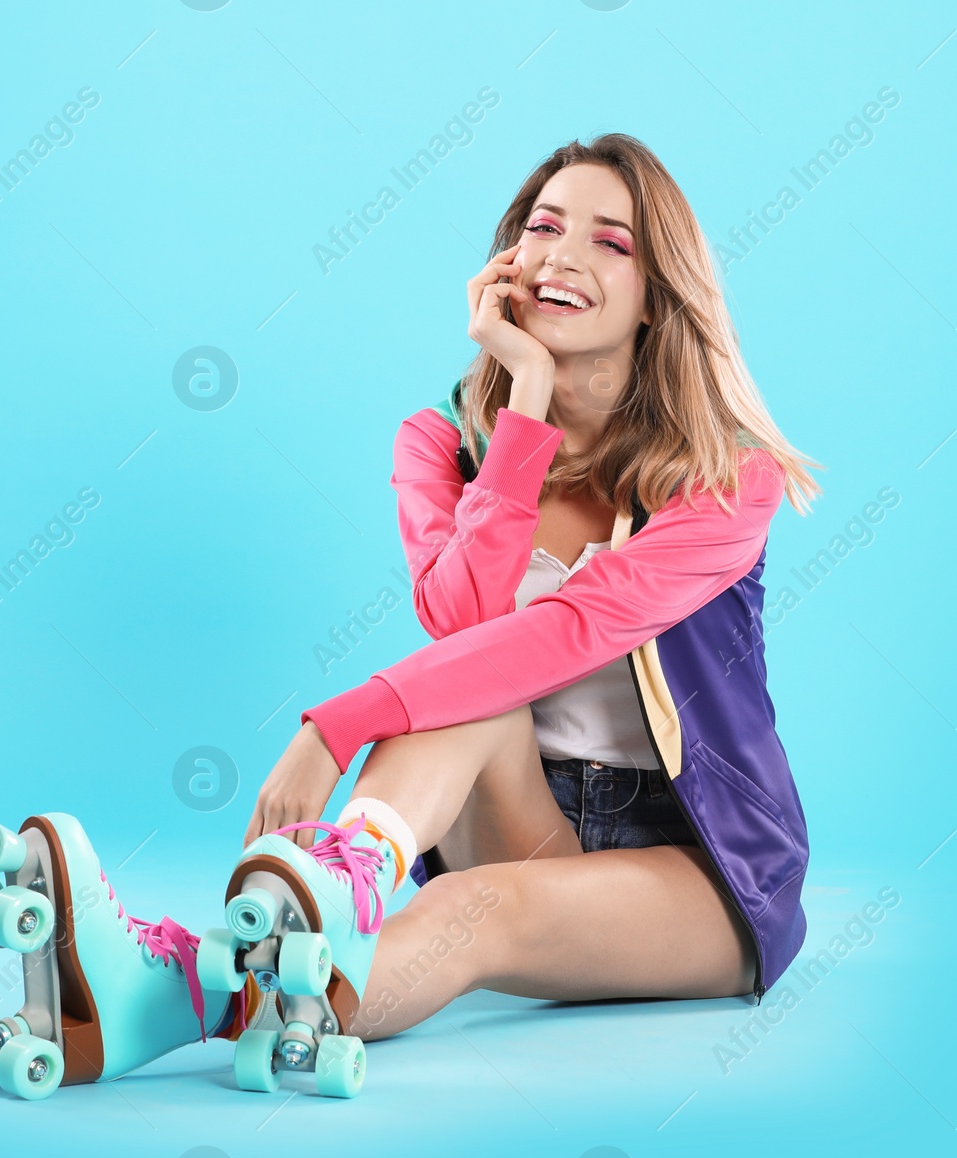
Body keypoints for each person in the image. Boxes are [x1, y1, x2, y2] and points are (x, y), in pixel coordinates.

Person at [210, 132, 820, 1068]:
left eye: (612, 242)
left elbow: (568, 632)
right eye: (544, 227)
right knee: (461, 698)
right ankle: (341, 890)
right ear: (505, 263)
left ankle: (190, 994)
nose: (564, 256)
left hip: (699, 869)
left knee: (464, 907)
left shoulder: (727, 478)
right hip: (533, 817)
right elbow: (463, 629)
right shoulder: (438, 446)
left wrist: (335, 725)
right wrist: (524, 405)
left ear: (658, 298)